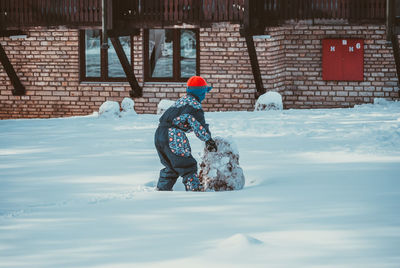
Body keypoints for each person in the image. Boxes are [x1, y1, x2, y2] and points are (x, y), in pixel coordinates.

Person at [154, 76, 217, 191]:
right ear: (201, 93)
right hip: (172, 135)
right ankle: (194, 191)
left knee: (171, 167)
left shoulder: (181, 101)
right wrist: (208, 140)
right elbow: (199, 125)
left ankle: (162, 191)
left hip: (159, 134)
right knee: (187, 165)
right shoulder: (194, 106)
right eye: (205, 92)